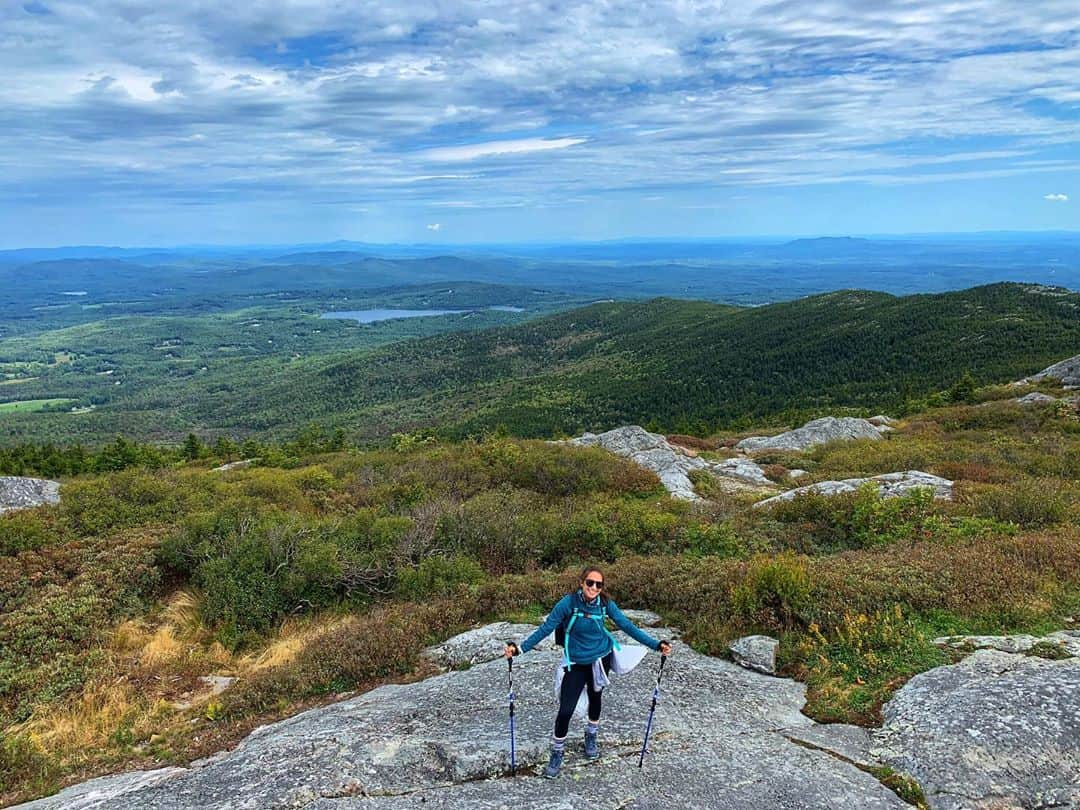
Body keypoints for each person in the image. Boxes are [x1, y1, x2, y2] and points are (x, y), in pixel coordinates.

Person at [503, 566, 672, 778]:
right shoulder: (568, 603)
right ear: (581, 583)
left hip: (601, 658)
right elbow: (546, 628)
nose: (594, 587)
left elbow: (627, 625)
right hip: (575, 663)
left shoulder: (605, 604)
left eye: (598, 584)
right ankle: (557, 753)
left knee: (595, 698)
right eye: (590, 583)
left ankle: (591, 737)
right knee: (565, 709)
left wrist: (656, 644)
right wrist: (520, 649)